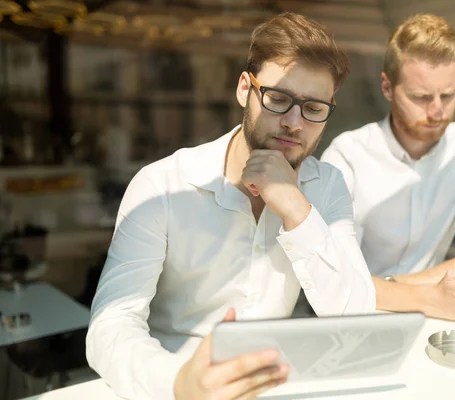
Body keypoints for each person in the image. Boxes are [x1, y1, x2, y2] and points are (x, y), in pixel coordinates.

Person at [86, 12, 376, 400]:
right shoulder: (162, 186)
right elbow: (110, 326)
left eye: (314, 108)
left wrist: (294, 207)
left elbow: (356, 317)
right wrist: (177, 383)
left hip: (278, 388)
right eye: (277, 99)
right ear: (245, 89)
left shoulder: (327, 186)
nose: (294, 122)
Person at [321, 14, 455, 321]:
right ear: (387, 88)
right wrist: (432, 295)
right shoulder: (346, 156)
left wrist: (392, 289)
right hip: (356, 320)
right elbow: (335, 280)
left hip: (429, 317)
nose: (437, 111)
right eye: (421, 97)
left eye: (449, 94)